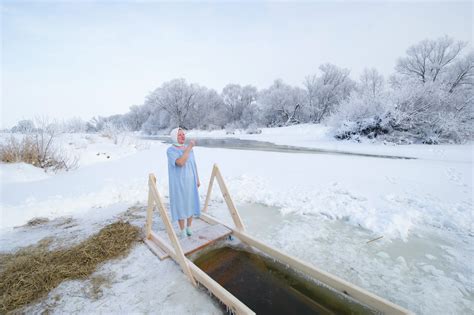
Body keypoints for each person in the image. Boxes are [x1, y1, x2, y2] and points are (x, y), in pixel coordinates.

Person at [167, 127, 201, 239]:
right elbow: (181, 162)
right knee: (181, 204)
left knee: (191, 202)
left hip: (191, 180)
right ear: (174, 137)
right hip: (179, 182)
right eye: (179, 135)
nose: (183, 136)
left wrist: (197, 178)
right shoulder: (171, 150)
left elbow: (194, 164)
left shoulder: (188, 148)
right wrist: (189, 147)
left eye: (183, 134)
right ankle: (182, 230)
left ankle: (189, 227)